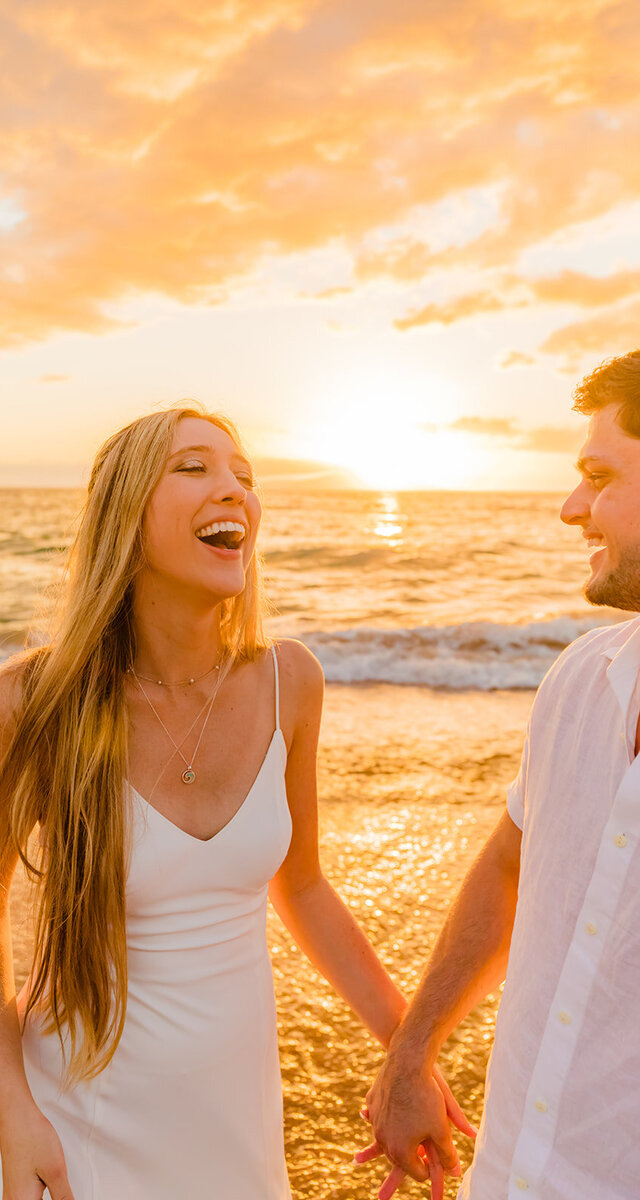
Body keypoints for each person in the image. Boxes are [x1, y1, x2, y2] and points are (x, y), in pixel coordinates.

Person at [0, 404, 470, 1200]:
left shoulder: (291, 681)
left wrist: (408, 1056)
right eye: (193, 467)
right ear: (125, 513)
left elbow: (304, 887)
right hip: (73, 1116)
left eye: (244, 477)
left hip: (233, 1121)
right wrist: (13, 1109)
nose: (233, 491)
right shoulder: (35, 700)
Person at [359, 349, 640, 1200]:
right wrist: (411, 1058)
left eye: (599, 477)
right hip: (511, 1174)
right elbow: (512, 867)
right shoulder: (580, 680)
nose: (571, 509)